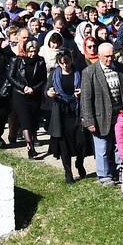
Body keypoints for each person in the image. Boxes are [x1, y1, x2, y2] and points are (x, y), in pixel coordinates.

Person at [80, 42, 123, 186]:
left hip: (120, 115)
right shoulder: (89, 72)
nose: (109, 59)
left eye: (111, 56)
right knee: (102, 147)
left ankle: (118, 172)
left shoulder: (122, 70)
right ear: (99, 56)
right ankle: (104, 176)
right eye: (106, 57)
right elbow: (86, 99)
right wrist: (89, 121)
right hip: (101, 116)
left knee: (119, 145)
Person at [47, 52, 87, 183]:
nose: (65, 65)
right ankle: (68, 172)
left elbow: (87, 89)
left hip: (77, 112)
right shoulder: (54, 75)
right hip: (61, 113)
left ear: (71, 60)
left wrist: (82, 92)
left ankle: (79, 162)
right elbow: (47, 89)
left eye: (67, 62)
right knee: (64, 145)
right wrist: (50, 92)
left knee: (81, 142)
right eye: (62, 63)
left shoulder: (79, 73)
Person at [7, 38, 48, 157]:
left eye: (35, 51)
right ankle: (29, 146)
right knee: (25, 121)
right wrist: (23, 87)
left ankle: (33, 142)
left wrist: (34, 89)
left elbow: (43, 79)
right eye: (30, 51)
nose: (32, 54)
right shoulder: (17, 60)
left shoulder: (40, 61)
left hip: (34, 95)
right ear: (25, 50)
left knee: (34, 121)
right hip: (20, 95)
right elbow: (11, 76)